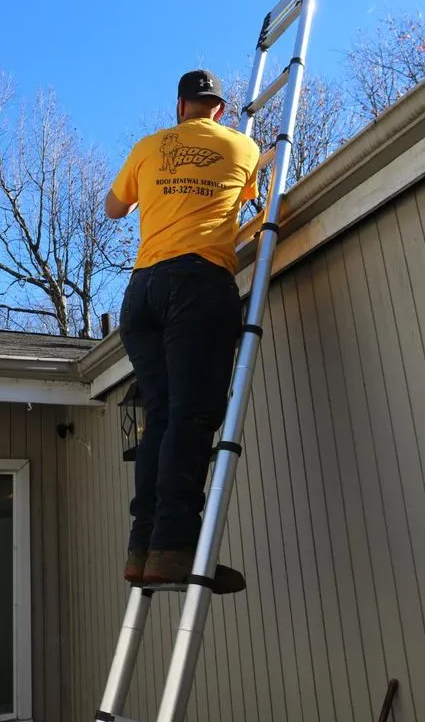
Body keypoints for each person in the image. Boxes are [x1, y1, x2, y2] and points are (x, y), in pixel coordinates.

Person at [105, 69, 259, 594]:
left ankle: (143, 547)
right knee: (192, 418)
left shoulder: (149, 147)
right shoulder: (244, 147)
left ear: (180, 106)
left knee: (162, 418)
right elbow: (253, 201)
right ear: (218, 109)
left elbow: (113, 208)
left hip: (141, 292)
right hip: (197, 283)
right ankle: (173, 550)